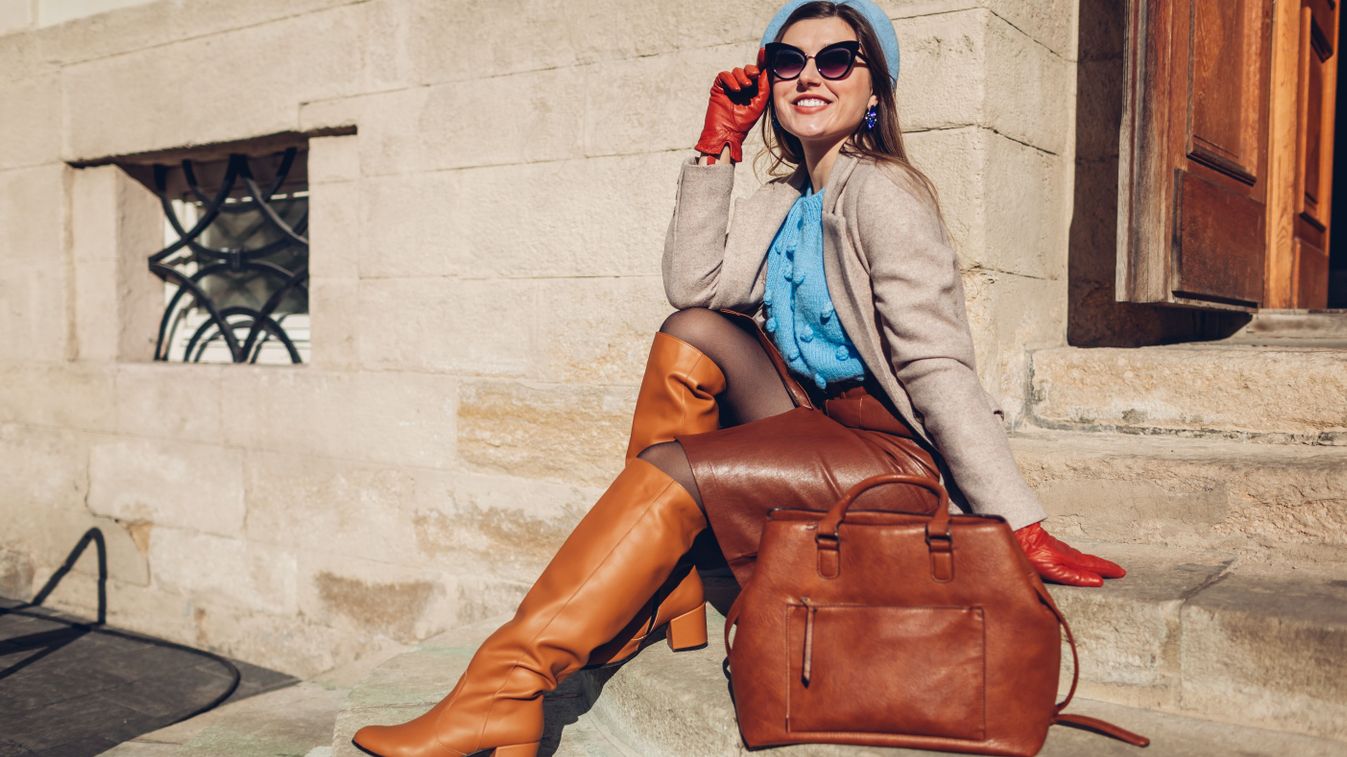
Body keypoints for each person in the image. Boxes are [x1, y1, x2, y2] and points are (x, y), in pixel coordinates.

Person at [352, 2, 1125, 755]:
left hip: (890, 451)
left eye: (835, 60)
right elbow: (692, 284)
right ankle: (674, 590)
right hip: (818, 417)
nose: (807, 76)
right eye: (787, 62)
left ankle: (506, 692)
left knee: (669, 469)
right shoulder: (786, 197)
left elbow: (933, 361)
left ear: (873, 91)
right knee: (688, 334)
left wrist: (1014, 516)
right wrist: (715, 148)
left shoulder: (882, 192)